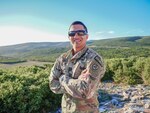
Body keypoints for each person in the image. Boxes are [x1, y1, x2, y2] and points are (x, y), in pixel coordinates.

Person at [49, 21, 105, 113]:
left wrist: (62, 79)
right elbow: (52, 84)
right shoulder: (62, 59)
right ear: (68, 37)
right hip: (66, 109)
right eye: (72, 33)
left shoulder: (93, 59)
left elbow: (85, 92)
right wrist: (76, 83)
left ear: (87, 36)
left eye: (80, 33)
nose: (76, 36)